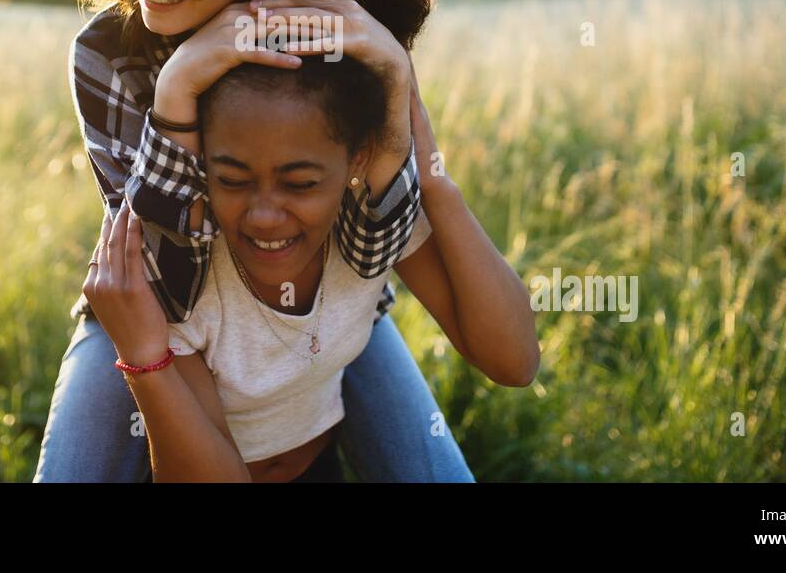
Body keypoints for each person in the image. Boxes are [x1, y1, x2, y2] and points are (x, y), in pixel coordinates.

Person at [35, 0, 460, 481]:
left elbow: (372, 242)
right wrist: (181, 83)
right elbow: (166, 285)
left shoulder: (338, 37)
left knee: (432, 469)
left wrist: (389, 67)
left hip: (320, 304)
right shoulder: (109, 54)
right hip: (158, 316)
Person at [83, 50, 540, 481]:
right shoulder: (181, 268)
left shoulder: (372, 220)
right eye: (233, 179)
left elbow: (515, 363)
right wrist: (146, 358)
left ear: (357, 158)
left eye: (300, 184)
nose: (263, 215)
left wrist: (436, 182)